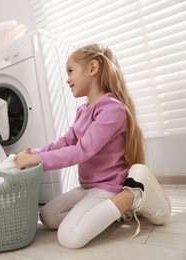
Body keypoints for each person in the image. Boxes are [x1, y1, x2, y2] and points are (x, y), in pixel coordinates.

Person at [14, 43, 171, 249]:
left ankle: (132, 194)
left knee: (69, 237)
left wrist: (39, 160)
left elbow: (83, 150)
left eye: (70, 71)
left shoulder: (112, 109)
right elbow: (65, 142)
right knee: (48, 216)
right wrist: (34, 153)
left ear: (93, 68)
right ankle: (111, 212)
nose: (67, 79)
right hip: (86, 186)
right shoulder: (83, 111)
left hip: (107, 187)